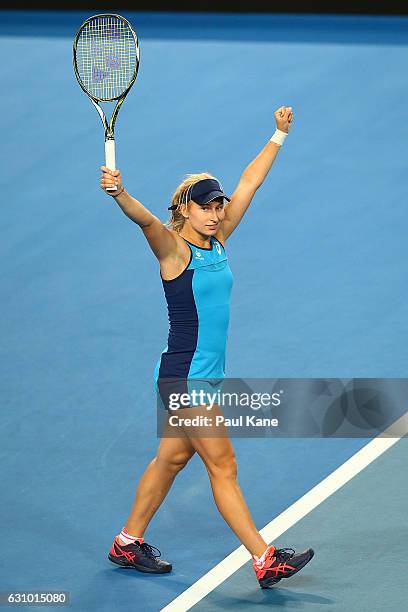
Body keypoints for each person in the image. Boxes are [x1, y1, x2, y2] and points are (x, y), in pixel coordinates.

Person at [102, 106, 314, 589]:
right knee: (223, 465)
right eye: (206, 206)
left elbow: (249, 183)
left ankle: (127, 542)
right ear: (184, 211)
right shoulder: (175, 249)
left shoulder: (218, 239)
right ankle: (265, 558)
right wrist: (120, 193)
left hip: (200, 375)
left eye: (219, 205)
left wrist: (278, 135)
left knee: (172, 460)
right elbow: (145, 222)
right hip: (186, 378)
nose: (216, 213)